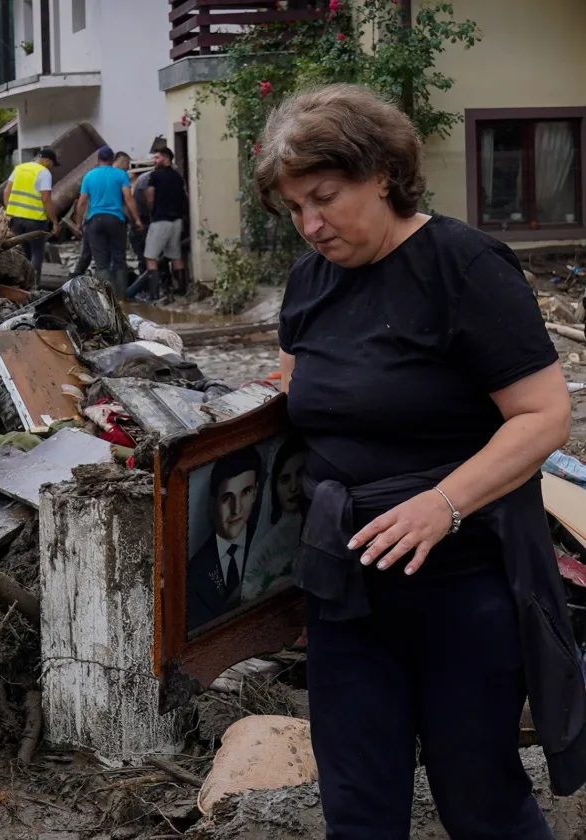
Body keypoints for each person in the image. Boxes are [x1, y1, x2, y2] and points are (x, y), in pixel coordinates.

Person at [267, 83, 586, 838]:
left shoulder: (462, 265)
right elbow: (296, 401)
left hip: (461, 584)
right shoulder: (309, 282)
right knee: (357, 803)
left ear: (381, 172)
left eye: (324, 197)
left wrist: (442, 503)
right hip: (345, 589)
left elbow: (544, 415)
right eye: (293, 209)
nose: (310, 225)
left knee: (480, 800)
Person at [187, 447, 261, 631]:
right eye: (227, 498)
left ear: (256, 493)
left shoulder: (267, 543)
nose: (237, 509)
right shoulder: (194, 572)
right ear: (212, 506)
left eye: (245, 492)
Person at [243, 435, 306, 600]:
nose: (294, 487)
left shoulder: (317, 521)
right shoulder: (266, 547)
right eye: (285, 480)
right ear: (274, 488)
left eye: (299, 474)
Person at [73, 147, 141, 297]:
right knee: (119, 259)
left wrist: (78, 223)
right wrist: (136, 219)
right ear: (112, 159)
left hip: (95, 221)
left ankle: (108, 298)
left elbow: (82, 202)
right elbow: (128, 199)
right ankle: (122, 298)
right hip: (116, 220)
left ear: (98, 159)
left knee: (101, 262)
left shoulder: (89, 176)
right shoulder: (121, 174)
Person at [4, 148, 60, 286]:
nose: (52, 167)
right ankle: (33, 287)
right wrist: (54, 222)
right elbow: (46, 199)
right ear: (47, 161)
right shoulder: (43, 172)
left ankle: (22, 285)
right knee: (37, 254)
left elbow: (6, 191)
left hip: (17, 220)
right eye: (52, 164)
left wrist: (9, 211)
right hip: (35, 221)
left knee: (25, 253)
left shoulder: (19, 169)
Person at [142, 148, 188, 298]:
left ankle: (154, 294)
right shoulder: (177, 176)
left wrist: (151, 213)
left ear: (166, 158)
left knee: (150, 257)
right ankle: (182, 291)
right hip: (177, 221)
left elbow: (150, 197)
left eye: (157, 158)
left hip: (160, 220)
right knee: (175, 256)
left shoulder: (155, 176)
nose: (154, 161)